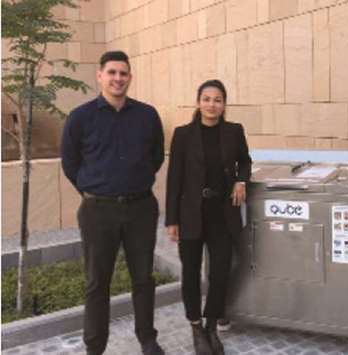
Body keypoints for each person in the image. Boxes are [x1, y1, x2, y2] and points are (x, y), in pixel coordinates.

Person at [61, 51, 165, 355]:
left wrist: (137, 178)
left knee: (143, 278)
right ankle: (95, 346)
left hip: (141, 209)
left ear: (130, 77)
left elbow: (156, 156)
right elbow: (70, 162)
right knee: (97, 283)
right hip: (98, 211)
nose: (118, 78)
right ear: (100, 75)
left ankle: (147, 339)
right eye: (112, 72)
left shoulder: (147, 115)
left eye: (123, 73)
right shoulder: (80, 117)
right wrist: (93, 189)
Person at [165, 79, 251, 355]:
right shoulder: (183, 134)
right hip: (191, 213)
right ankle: (195, 326)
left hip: (222, 213)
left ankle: (212, 325)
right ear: (198, 102)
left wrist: (241, 180)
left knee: (220, 271)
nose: (212, 104)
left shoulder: (234, 131)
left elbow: (245, 161)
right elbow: (174, 179)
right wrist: (171, 220)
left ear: (224, 104)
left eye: (217, 99)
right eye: (206, 98)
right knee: (190, 273)